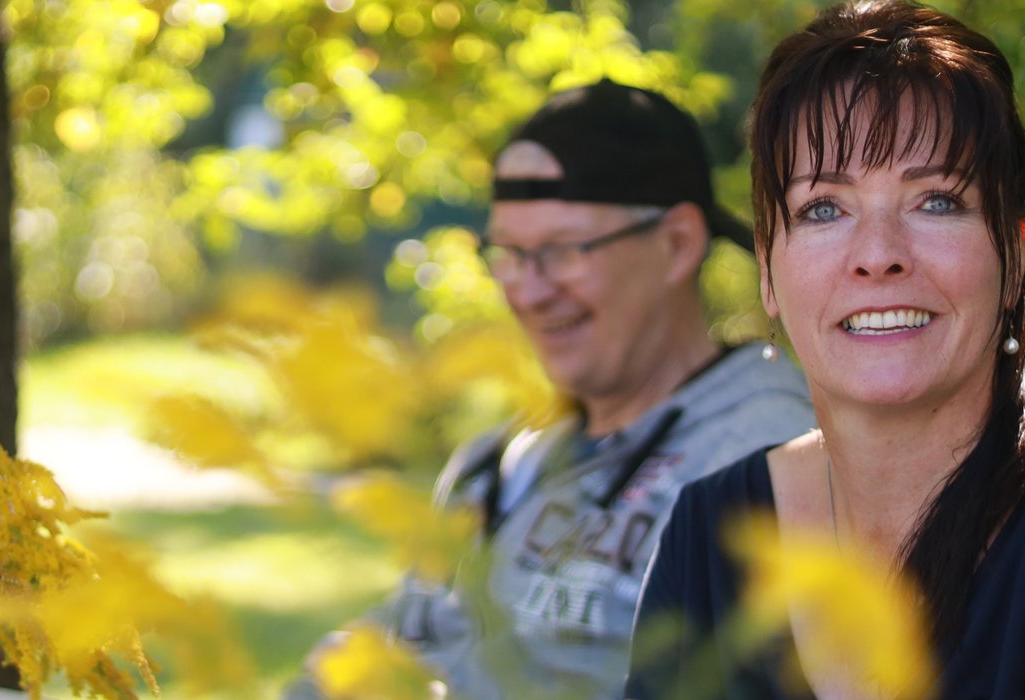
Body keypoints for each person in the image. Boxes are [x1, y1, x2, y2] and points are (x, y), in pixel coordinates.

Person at [624, 2, 1025, 697]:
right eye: (824, 208)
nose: (879, 256)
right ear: (768, 269)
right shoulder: (713, 533)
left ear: (1012, 254)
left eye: (937, 202)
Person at [286, 80, 815, 699]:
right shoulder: (496, 463)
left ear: (676, 244)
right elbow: (389, 641)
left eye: (563, 251)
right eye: (509, 253)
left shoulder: (768, 458)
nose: (528, 291)